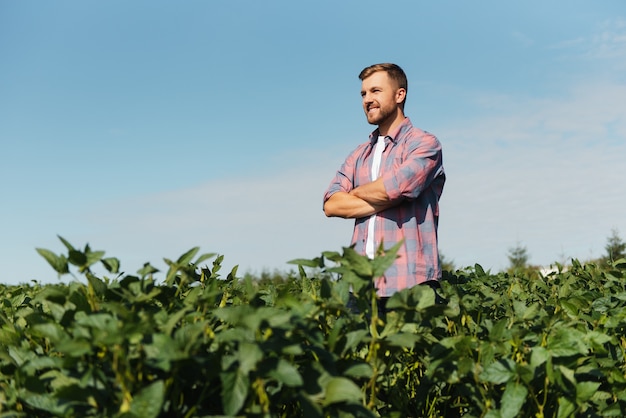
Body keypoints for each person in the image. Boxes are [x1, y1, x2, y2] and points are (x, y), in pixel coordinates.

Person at [323, 63, 445, 305]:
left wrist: (356, 194)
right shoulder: (359, 154)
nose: (367, 99)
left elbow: (400, 187)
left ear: (400, 95)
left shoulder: (425, 144)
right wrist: (385, 197)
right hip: (358, 288)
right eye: (363, 94)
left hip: (410, 282)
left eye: (376, 91)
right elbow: (331, 204)